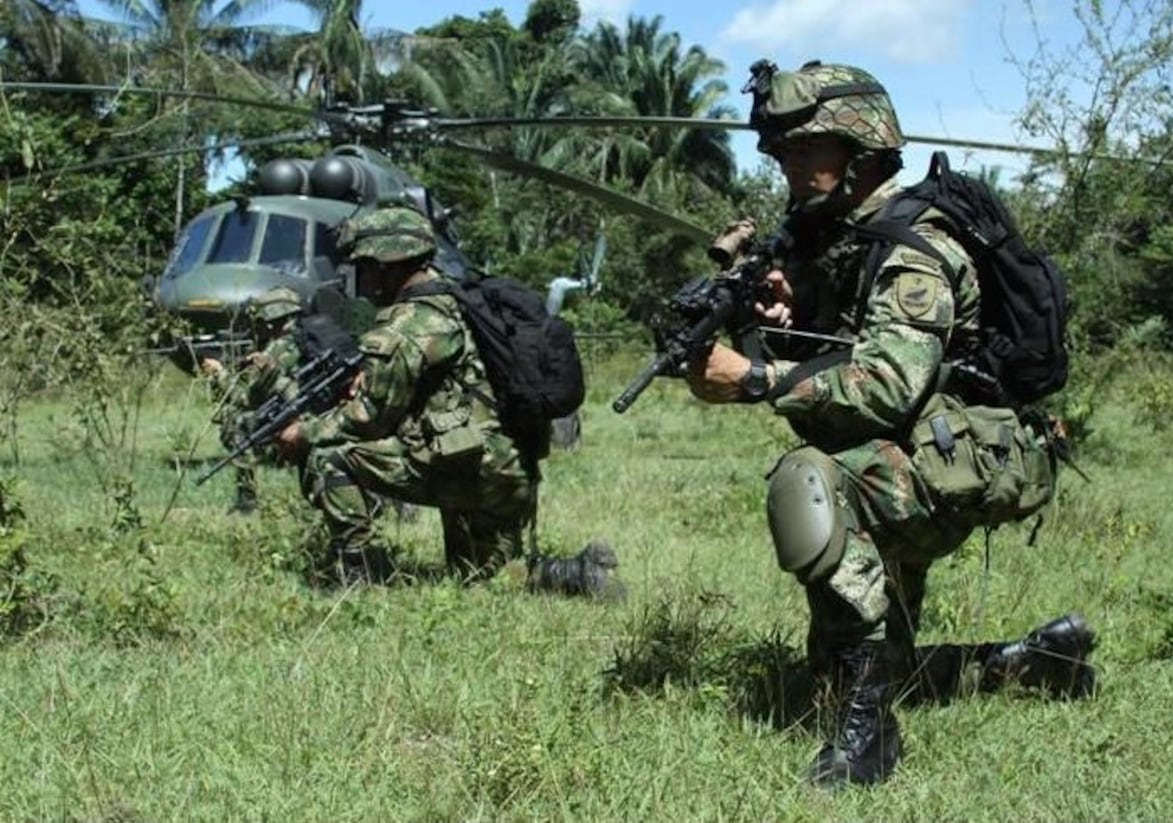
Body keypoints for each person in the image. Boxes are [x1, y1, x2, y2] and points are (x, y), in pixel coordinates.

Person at [684, 60, 1096, 789]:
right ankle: (1028, 663)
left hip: (952, 463)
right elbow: (844, 350)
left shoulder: (912, 251)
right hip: (913, 453)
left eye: (806, 150)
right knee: (834, 674)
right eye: (782, 154)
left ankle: (870, 739)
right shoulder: (853, 238)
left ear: (861, 152)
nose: (789, 167)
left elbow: (884, 386)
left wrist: (752, 378)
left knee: (809, 480)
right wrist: (784, 321)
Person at [275, 206, 619, 596]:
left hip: (471, 472)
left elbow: (369, 417)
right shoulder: (460, 298)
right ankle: (582, 573)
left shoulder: (409, 323)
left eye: (365, 267)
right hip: (508, 469)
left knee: (328, 456)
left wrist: (303, 432)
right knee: (484, 577)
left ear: (388, 265)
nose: (363, 280)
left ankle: (355, 575)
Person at [203, 286, 307, 514]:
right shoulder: (304, 339)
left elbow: (245, 398)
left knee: (235, 422)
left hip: (298, 417)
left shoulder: (277, 350)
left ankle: (246, 500)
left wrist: (219, 374)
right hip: (311, 409)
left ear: (270, 319)